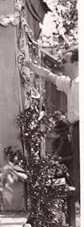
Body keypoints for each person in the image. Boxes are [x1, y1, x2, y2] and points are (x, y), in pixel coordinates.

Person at [25, 48, 79, 200]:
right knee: (75, 166)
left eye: (65, 61)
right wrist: (31, 66)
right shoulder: (69, 83)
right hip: (75, 128)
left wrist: (68, 120)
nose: (62, 65)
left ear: (76, 63)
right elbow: (50, 76)